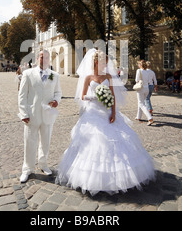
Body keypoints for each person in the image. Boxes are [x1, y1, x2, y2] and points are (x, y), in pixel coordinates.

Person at [55, 49, 155, 196]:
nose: (105, 65)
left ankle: (120, 176)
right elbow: (82, 96)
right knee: (95, 142)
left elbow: (113, 95)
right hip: (93, 112)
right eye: (103, 62)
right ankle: (93, 179)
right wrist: (94, 97)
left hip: (107, 112)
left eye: (106, 63)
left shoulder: (108, 76)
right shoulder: (88, 77)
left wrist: (114, 112)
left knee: (118, 141)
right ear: (96, 62)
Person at [18, 50, 62, 183]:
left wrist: (56, 101)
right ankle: (27, 169)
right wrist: (23, 113)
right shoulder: (28, 74)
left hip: (48, 114)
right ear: (37, 58)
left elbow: (58, 92)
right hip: (32, 114)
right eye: (42, 57)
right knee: (30, 142)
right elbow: (22, 96)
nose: (45, 59)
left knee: (45, 142)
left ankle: (43, 164)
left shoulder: (54, 75)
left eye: (47, 57)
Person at [135, 60, 154, 125]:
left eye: (138, 64)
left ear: (140, 65)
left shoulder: (139, 70)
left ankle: (150, 118)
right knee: (141, 102)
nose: (138, 65)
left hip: (141, 88)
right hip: (147, 89)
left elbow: (136, 80)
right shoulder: (147, 71)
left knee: (141, 104)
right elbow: (149, 80)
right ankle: (138, 116)